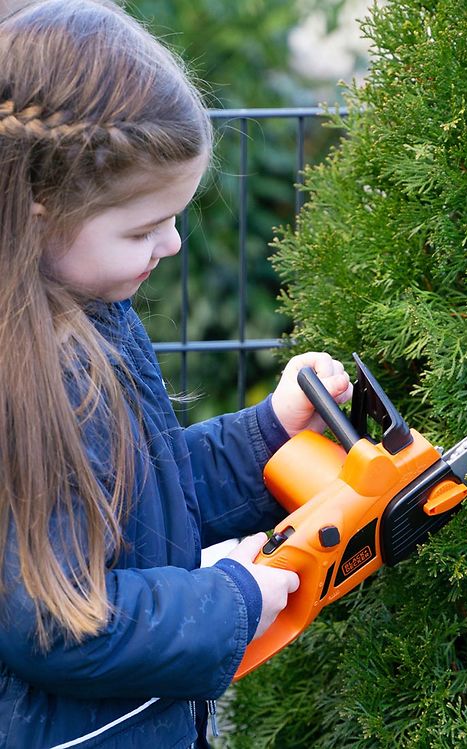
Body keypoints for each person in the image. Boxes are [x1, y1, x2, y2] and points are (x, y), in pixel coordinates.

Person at [0, 1, 352, 747]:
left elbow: (140, 496)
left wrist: (268, 434)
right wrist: (229, 602)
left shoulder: (89, 315)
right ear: (36, 209)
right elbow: (55, 619)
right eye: (141, 227)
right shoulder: (29, 379)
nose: (173, 241)